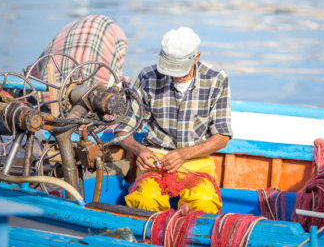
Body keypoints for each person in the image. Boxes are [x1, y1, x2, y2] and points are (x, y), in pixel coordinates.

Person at [114, 27, 232, 214]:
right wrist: (140, 150)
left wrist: (185, 154)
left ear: (196, 57)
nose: (175, 76)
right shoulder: (148, 77)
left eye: (180, 71)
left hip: (196, 161)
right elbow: (123, 131)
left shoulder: (216, 79)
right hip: (155, 161)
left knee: (204, 202)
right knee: (145, 199)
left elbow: (222, 137)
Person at [27, 14, 128, 87]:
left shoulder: (68, 28)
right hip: (89, 90)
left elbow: (31, 73)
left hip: (47, 88)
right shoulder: (116, 33)